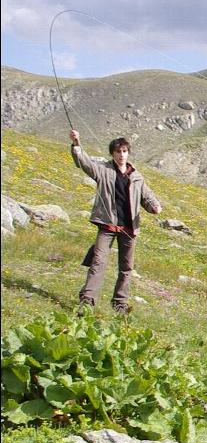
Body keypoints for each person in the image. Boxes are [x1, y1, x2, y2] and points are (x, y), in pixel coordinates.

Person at [69, 130, 162, 312]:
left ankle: (120, 303)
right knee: (98, 262)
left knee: (126, 268)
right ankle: (87, 301)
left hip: (129, 228)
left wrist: (155, 206)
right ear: (112, 153)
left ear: (128, 153)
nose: (122, 155)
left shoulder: (136, 176)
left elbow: (147, 196)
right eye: (118, 152)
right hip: (108, 225)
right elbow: (84, 162)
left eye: (125, 151)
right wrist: (76, 143)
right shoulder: (103, 170)